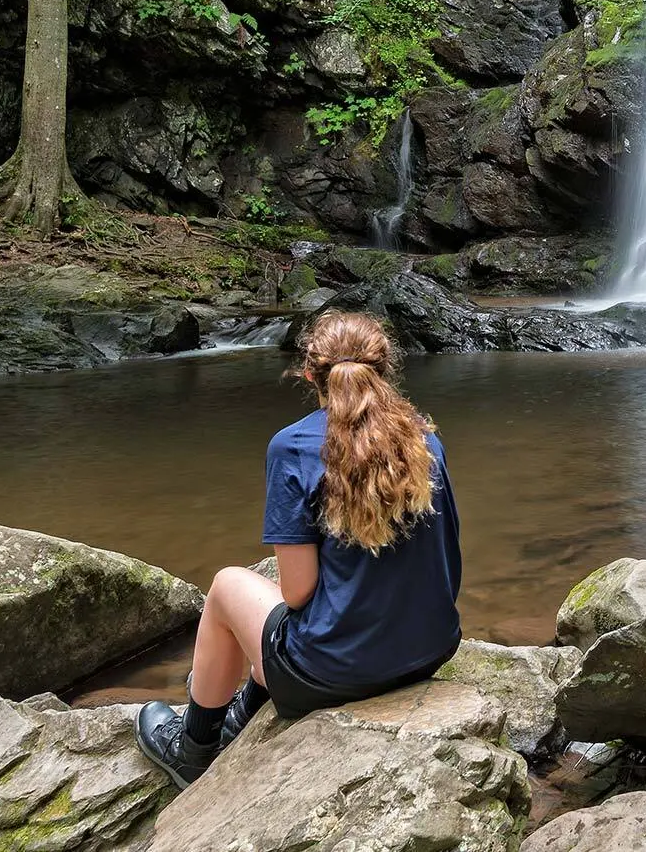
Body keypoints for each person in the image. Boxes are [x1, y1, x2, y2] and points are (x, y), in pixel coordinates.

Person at [136, 310, 463, 787]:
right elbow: (443, 557)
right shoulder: (425, 437)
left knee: (229, 586)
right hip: (430, 648)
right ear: (386, 365)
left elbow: (297, 594)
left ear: (310, 373)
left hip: (337, 675)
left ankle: (193, 748)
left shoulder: (293, 447)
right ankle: (244, 711)